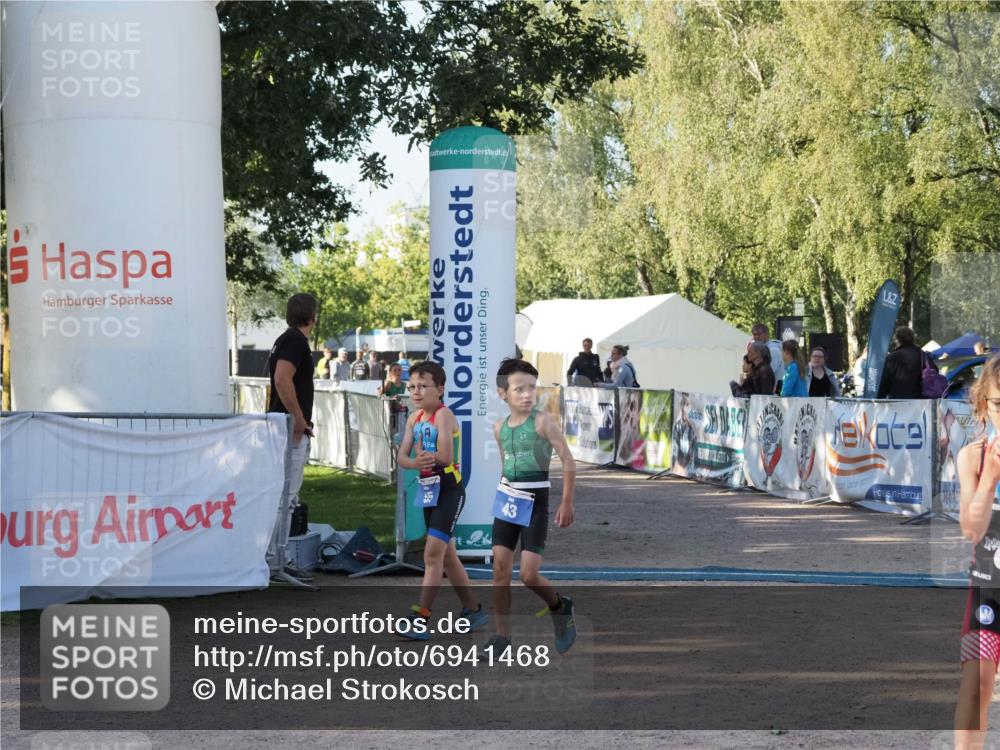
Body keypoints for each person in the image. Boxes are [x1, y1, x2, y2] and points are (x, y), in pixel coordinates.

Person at [481, 359, 578, 657]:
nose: (527, 394)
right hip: (508, 501)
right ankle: (501, 637)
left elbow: (568, 459)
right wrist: (501, 496)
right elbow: (505, 466)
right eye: (519, 389)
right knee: (499, 571)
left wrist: (566, 501)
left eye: (532, 388)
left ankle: (559, 606)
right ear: (503, 394)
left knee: (528, 575)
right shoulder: (499, 427)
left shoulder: (543, 421)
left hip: (535, 502)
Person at [395, 361, 487, 639]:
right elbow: (402, 457)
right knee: (447, 557)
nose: (416, 392)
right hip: (429, 491)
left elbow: (446, 457)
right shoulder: (414, 419)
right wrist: (415, 462)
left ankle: (421, 617)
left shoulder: (444, 415)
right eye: (412, 386)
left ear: (440, 389)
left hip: (449, 491)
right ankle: (473, 609)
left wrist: (425, 457)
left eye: (423, 386)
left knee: (432, 555)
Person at [953, 355, 1000, 750]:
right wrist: (990, 479)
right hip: (989, 589)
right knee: (976, 686)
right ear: (984, 403)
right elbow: (971, 528)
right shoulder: (974, 456)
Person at [267, 294, 318, 573]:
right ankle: (275, 559)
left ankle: (274, 557)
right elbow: (281, 379)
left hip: (284, 425)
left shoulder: (286, 340)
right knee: (285, 496)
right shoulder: (295, 340)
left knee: (283, 495)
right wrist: (298, 418)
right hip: (288, 428)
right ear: (312, 316)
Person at [876, 326, 923, 399]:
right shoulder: (922, 354)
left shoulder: (892, 357)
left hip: (897, 399)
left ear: (898, 339)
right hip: (920, 399)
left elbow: (885, 380)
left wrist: (879, 397)